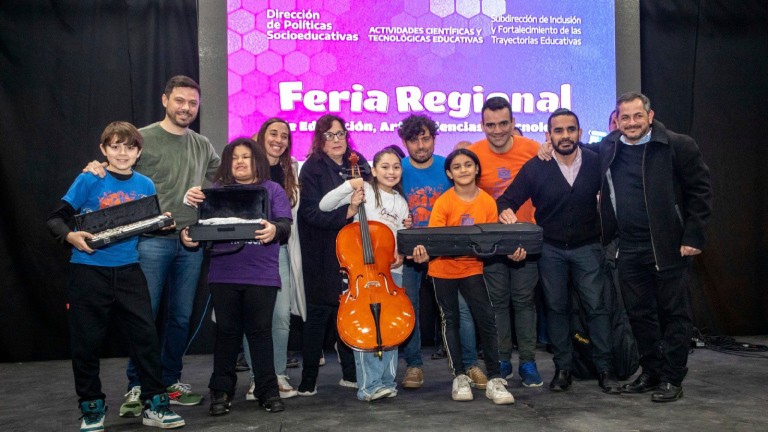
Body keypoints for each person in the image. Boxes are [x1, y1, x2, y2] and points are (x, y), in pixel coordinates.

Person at [82, 76, 220, 414]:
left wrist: (203, 191)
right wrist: (97, 166)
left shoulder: (202, 145)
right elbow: (115, 168)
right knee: (143, 318)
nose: (186, 108)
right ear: (165, 100)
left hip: (189, 244)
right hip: (149, 243)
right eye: (180, 101)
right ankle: (136, 386)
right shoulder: (142, 139)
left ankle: (169, 381)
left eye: (192, 103)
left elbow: (218, 173)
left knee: (181, 318)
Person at [48, 122, 185, 431]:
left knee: (146, 340)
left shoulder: (146, 185)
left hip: (129, 272)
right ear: (104, 149)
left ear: (138, 152)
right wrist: (71, 237)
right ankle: (92, 408)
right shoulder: (89, 179)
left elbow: (146, 223)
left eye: (129, 147)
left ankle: (155, 404)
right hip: (88, 271)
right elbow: (55, 219)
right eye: (115, 146)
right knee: (86, 344)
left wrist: (162, 223)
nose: (122, 152)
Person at [496, 109, 622, 394]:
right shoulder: (535, 167)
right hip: (549, 250)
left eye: (571, 130)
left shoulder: (596, 161)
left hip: (589, 247)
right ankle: (563, 369)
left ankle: (606, 369)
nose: (565, 136)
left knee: (597, 309)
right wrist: (505, 214)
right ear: (548, 135)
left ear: (579, 132)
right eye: (559, 131)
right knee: (556, 309)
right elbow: (506, 200)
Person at [181, 137, 292, 415]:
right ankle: (221, 391)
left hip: (262, 275)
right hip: (223, 273)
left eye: (246, 156)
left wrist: (275, 230)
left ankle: (267, 390)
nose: (240, 162)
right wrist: (188, 236)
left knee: (260, 333)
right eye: (234, 157)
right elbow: (198, 228)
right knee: (227, 334)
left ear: (257, 160)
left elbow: (285, 225)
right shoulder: (215, 191)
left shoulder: (273, 189)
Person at [411, 148, 519, 405]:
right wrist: (423, 253)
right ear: (449, 173)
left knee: (487, 318)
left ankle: (494, 378)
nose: (463, 170)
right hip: (442, 270)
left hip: (472, 268)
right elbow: (434, 241)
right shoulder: (444, 202)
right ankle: (459, 375)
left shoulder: (487, 202)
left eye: (468, 165)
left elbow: (490, 241)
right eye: (457, 167)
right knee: (451, 320)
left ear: (477, 169)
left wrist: (512, 250)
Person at [398, 115, 486, 391]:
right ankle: (414, 365)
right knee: (409, 308)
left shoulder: (447, 169)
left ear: (435, 138)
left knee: (461, 310)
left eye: (426, 138)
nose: (421, 145)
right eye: (414, 140)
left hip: (448, 252)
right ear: (405, 142)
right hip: (411, 252)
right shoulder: (397, 169)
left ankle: (470, 364)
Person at [318, 147, 410, 401]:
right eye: (385, 167)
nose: (391, 172)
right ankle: (368, 386)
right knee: (366, 329)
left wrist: (401, 253)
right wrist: (350, 186)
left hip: (391, 275)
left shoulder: (401, 202)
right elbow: (324, 206)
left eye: (396, 167)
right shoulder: (364, 191)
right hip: (360, 275)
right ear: (375, 169)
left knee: (392, 328)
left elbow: (401, 238)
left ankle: (387, 382)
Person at [467, 96, 543, 386]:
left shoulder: (534, 150)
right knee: (497, 303)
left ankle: (527, 362)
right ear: (482, 125)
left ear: (513, 123)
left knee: (524, 303)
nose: (497, 130)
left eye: (503, 123)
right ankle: (500, 360)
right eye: (490, 125)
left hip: (527, 239)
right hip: (490, 243)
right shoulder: (473, 154)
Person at [296, 114, 370, 396]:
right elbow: (310, 213)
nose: (337, 140)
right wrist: (346, 213)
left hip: (353, 251)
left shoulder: (358, 161)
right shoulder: (312, 168)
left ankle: (350, 374)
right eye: (329, 135)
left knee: (348, 310)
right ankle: (308, 378)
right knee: (319, 314)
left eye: (340, 134)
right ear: (319, 139)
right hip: (321, 249)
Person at [238, 118, 304, 400]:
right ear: (261, 136)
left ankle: (277, 375)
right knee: (252, 317)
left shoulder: (294, 170)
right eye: (273, 134)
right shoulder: (242, 165)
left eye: (285, 136)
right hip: (245, 253)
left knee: (280, 316)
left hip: (278, 251)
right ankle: (257, 379)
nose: (279, 139)